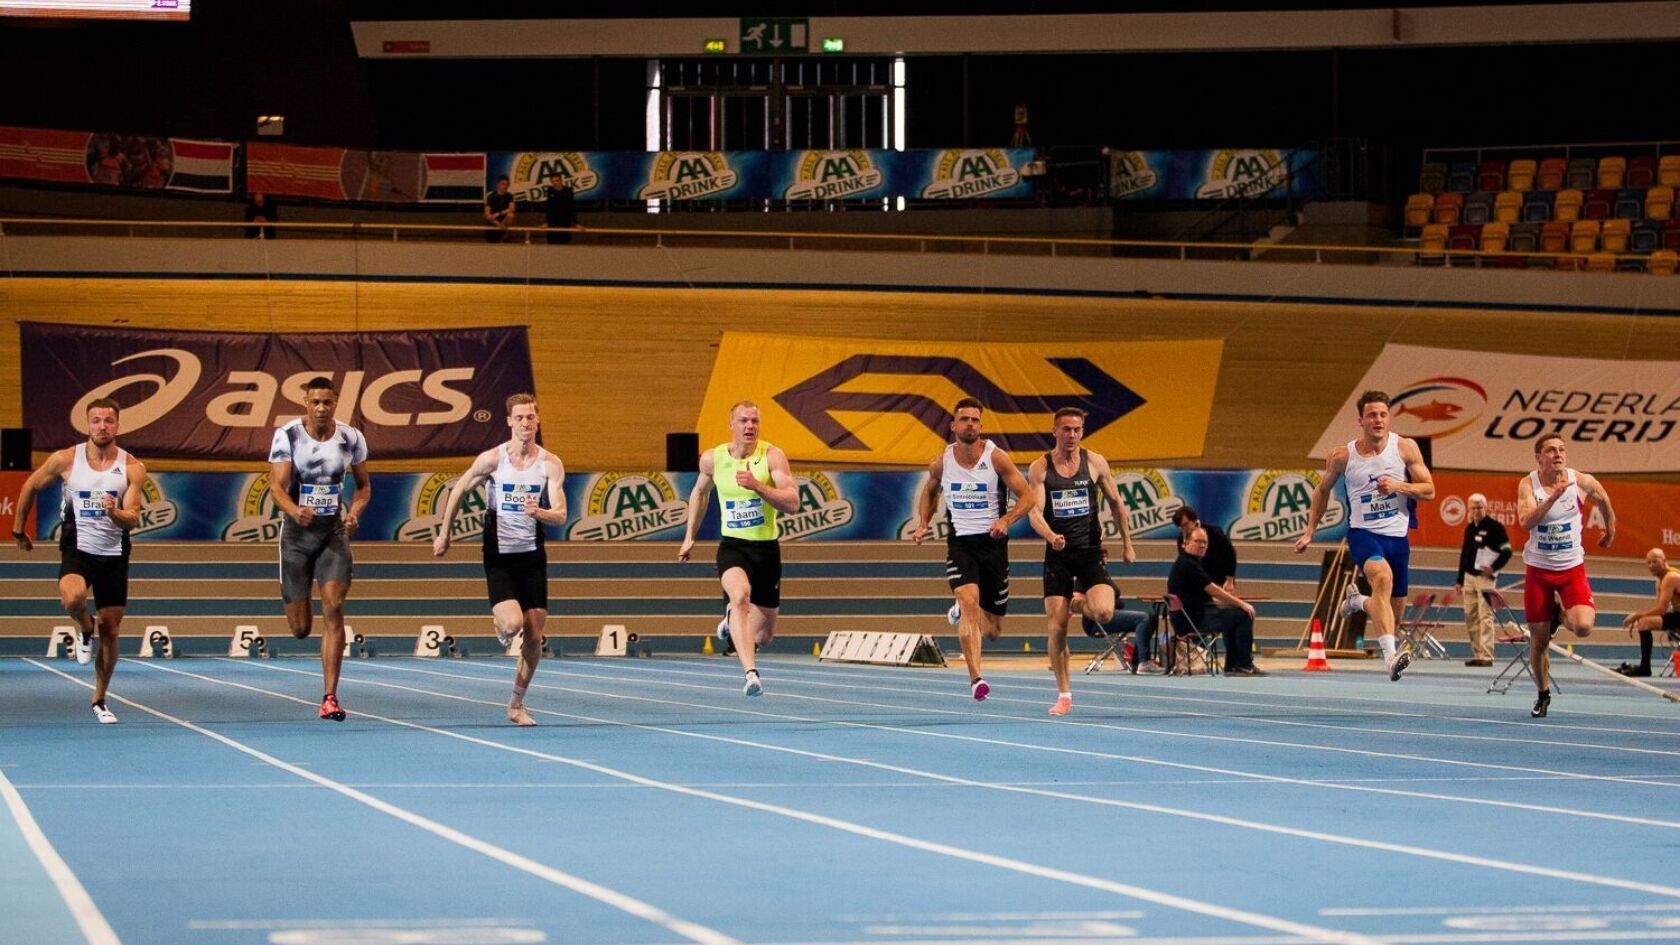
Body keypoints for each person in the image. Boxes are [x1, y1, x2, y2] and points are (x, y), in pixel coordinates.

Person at [433, 393, 566, 725]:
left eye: (531, 417)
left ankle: (516, 703)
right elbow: (458, 489)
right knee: (513, 624)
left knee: (535, 636)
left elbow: (562, 515)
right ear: (509, 421)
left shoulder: (550, 464)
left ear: (537, 420)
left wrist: (541, 512)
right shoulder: (493, 460)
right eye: (519, 417)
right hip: (500, 556)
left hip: (533, 556)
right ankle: (502, 623)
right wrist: (445, 533)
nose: (525, 423)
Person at [12, 398, 145, 724]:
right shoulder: (65, 459)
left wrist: (114, 512)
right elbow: (30, 485)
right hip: (77, 548)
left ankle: (99, 698)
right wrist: (18, 529)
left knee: (111, 631)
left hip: (114, 554)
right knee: (73, 598)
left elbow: (133, 519)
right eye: (96, 420)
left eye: (109, 421)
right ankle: (85, 628)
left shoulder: (132, 467)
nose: (103, 426)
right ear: (88, 424)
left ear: (117, 425)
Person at [1294, 389, 1434, 681]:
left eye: (1383, 414)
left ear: (1389, 418)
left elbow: (1429, 490)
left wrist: (1398, 486)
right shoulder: (1343, 456)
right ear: (1361, 420)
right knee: (1382, 578)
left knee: (1392, 609)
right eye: (1372, 415)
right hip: (1363, 534)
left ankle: (1358, 603)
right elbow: (1321, 491)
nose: (1378, 420)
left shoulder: (1405, 448)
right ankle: (1389, 658)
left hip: (1398, 537)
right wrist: (1310, 531)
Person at [911, 398, 1036, 701]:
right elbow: (930, 491)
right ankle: (976, 679)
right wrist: (924, 523)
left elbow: (1028, 497)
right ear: (953, 425)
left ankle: (962, 609)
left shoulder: (997, 459)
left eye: (975, 420)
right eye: (964, 419)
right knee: (969, 604)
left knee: (992, 630)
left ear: (981, 426)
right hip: (961, 544)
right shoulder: (942, 462)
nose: (970, 424)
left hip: (993, 544)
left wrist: (1006, 519)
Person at [678, 401, 800, 697]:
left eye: (755, 421)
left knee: (765, 636)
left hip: (766, 550)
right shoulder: (713, 459)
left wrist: (758, 486)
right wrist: (689, 536)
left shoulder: (772, 456)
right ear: (731, 424)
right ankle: (751, 673)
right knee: (740, 596)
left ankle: (730, 620)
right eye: (744, 421)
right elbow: (699, 493)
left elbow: (793, 503)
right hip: (733, 547)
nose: (750, 426)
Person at [268, 377, 371, 722]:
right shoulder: (289, 436)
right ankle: (296, 603)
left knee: (335, 606)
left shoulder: (351, 437)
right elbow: (276, 487)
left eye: (327, 402)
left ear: (335, 402)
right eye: (315, 402)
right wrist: (295, 510)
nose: (322, 408)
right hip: (297, 538)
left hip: (333, 534)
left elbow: (364, 487)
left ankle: (330, 697)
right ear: (306, 404)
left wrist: (354, 512)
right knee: (300, 629)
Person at [1026, 407, 1137, 715]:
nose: (1071, 435)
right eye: (1066, 429)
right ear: (1055, 431)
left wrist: (1127, 544)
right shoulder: (1040, 467)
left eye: (1076, 430)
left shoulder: (1095, 462)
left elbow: (1116, 503)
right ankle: (1064, 694)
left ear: (1082, 432)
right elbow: (1034, 512)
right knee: (1057, 628)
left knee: (1103, 612)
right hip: (1058, 555)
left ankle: (1076, 604)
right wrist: (1051, 536)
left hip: (1089, 552)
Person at [1517, 434, 1615, 718]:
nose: (1558, 455)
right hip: (1538, 571)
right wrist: (1553, 497)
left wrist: (1610, 530)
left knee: (1584, 627)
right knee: (1539, 642)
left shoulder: (1580, 480)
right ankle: (1543, 694)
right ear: (1539, 458)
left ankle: (1559, 615)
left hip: (1571, 569)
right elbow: (1526, 522)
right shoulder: (1528, 484)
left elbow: (1605, 499)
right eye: (1551, 450)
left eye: (1561, 450)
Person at [1168, 526, 1265, 675]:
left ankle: (1233, 665)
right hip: (1193, 621)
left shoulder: (1190, 562)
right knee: (1243, 615)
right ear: (1185, 543)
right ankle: (1243, 664)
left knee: (1233, 614)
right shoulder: (1188, 564)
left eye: (1205, 542)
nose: (1202, 545)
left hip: (1195, 615)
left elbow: (1207, 597)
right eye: (1198, 541)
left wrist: (1230, 604)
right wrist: (1242, 603)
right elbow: (1213, 589)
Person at [1454, 493, 1512, 667]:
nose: (1476, 511)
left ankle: (1487, 655)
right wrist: (1459, 579)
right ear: (1469, 510)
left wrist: (1493, 568)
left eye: (1479, 507)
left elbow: (1507, 551)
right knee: (1470, 616)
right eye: (1473, 507)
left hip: (1485, 578)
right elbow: (1464, 554)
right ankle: (1477, 653)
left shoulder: (1495, 527)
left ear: (1485, 508)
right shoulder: (1469, 528)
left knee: (1484, 616)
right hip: (1469, 577)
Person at [1620, 547, 1679, 677]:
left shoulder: (1670, 577)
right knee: (1644, 622)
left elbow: (1662, 610)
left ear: (1664, 561)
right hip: (1677, 614)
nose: (1651, 565)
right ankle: (1644, 667)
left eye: (1655, 561)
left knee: (1644, 622)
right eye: (1649, 563)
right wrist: (1640, 619)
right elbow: (1659, 610)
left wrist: (1636, 616)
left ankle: (1645, 668)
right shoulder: (1659, 580)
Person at [1173, 504, 1236, 591]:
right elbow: (1186, 563)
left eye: (1185, 524)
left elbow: (1230, 554)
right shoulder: (1181, 539)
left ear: (1194, 520)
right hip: (1198, 581)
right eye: (1181, 527)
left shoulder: (1214, 532)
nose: (1184, 529)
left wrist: (1229, 581)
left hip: (1219, 580)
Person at [542, 172, 575, 245]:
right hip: (553, 222)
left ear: (561, 180)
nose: (555, 183)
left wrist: (576, 223)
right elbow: (549, 208)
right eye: (553, 181)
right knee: (552, 243)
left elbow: (571, 207)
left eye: (557, 181)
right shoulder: (550, 191)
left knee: (565, 243)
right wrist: (546, 222)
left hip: (565, 221)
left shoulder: (568, 190)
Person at [484, 175, 516, 242]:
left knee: (510, 215)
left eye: (507, 184)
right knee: (489, 217)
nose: (505, 186)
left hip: (504, 221)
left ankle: (504, 234)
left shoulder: (509, 196)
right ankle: (503, 232)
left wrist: (498, 214)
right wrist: (499, 225)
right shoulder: (491, 196)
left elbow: (512, 209)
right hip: (494, 222)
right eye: (503, 184)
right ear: (498, 184)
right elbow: (487, 214)